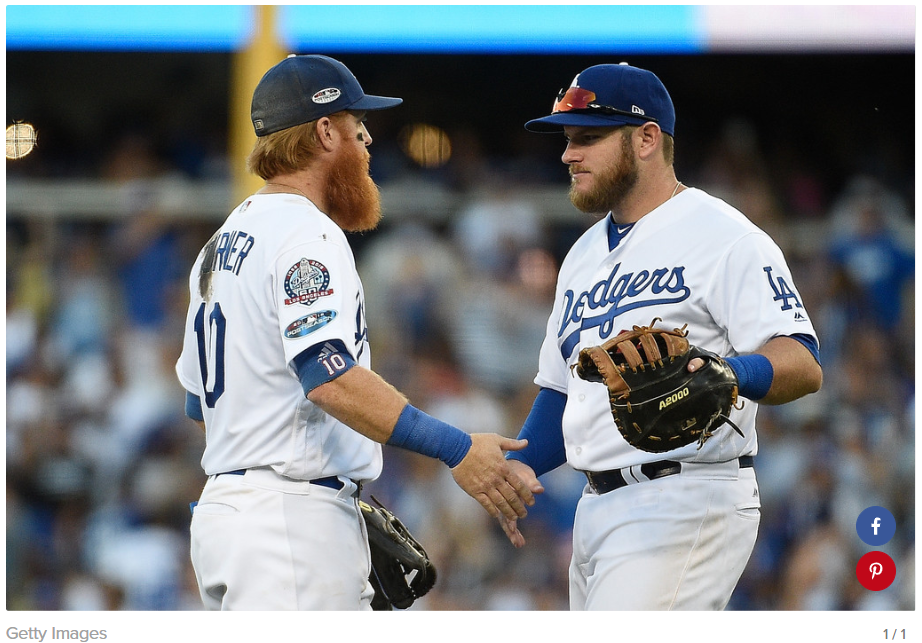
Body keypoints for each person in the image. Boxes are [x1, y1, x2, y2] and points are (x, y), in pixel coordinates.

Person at [175, 54, 536, 610]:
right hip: (286, 525)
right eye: (357, 126)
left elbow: (200, 405)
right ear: (324, 132)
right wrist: (456, 447)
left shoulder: (222, 240)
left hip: (231, 516)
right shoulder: (305, 233)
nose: (368, 143)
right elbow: (328, 377)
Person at [501, 62, 823, 610]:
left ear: (647, 138)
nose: (567, 154)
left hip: (686, 494)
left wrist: (730, 374)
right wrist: (512, 470)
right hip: (596, 505)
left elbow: (803, 361)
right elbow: (562, 394)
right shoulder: (580, 256)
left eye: (588, 138)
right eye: (567, 139)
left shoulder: (725, 236)